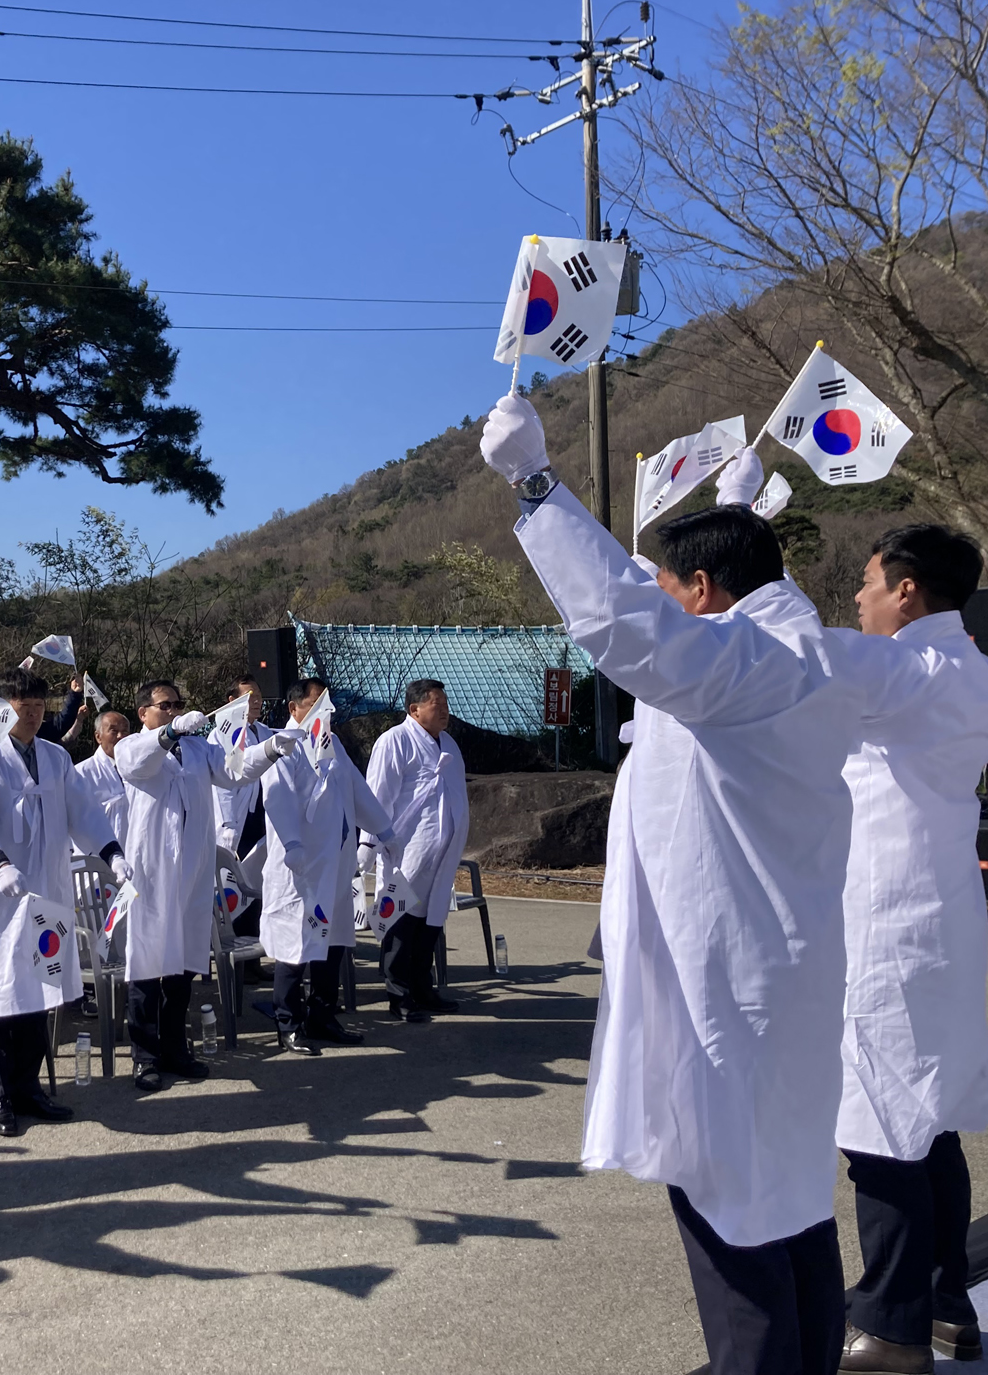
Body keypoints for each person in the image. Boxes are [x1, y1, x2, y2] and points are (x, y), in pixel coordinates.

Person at [483, 392, 874, 1375]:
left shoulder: (748, 664)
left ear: (701, 590)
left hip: (730, 995)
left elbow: (629, 628)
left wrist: (536, 486)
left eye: (668, 582)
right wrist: (745, 510)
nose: (656, 595)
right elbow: (671, 661)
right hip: (772, 982)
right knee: (787, 1204)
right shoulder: (795, 651)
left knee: (731, 1205)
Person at [827, 526, 988, 1373]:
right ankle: (946, 1300)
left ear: (906, 590)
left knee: (882, 1121)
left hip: (887, 920)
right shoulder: (980, 673)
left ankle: (890, 1326)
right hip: (943, 916)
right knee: (930, 1120)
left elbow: (784, 655)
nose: (857, 599)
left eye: (866, 582)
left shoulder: (904, 670)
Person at [0, 667, 127, 1136]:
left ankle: (29, 1087)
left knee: (35, 991)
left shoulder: (55, 757)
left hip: (46, 888)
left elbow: (82, 810)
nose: (30, 714)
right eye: (21, 706)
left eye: (37, 706)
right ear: (2, 708)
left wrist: (112, 853)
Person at [118, 679, 292, 1087]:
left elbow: (233, 770)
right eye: (165, 706)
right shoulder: (132, 747)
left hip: (193, 874)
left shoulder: (197, 749)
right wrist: (169, 733)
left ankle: (176, 1048)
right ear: (144, 712)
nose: (175, 711)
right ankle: (144, 1056)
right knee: (145, 966)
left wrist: (270, 749)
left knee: (182, 969)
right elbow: (139, 763)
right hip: (151, 875)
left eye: (179, 705)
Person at [256, 678, 394, 1049]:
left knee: (332, 944)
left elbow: (358, 790)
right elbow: (277, 797)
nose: (325, 712)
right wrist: (293, 843)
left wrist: (384, 829)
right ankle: (288, 1023)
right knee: (296, 946)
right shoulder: (283, 746)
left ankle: (322, 1015)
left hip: (334, 864)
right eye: (316, 705)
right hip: (300, 868)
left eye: (327, 705)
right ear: (294, 708)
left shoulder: (332, 745)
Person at [364, 679, 470, 1018]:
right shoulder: (394, 742)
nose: (444, 712)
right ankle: (399, 996)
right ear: (415, 709)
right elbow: (377, 798)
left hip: (440, 855)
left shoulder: (449, 744)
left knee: (431, 922)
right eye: (436, 705)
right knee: (400, 923)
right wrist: (369, 845)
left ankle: (424, 988)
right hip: (405, 851)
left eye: (446, 705)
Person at [212, 674, 276, 914]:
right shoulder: (221, 735)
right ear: (232, 701)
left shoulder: (266, 732)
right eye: (250, 697)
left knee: (259, 883)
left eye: (259, 697)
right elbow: (222, 785)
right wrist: (228, 824)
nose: (257, 702)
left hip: (263, 816)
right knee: (232, 887)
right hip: (238, 819)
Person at [73, 711, 132, 844]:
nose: (120, 736)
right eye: (114, 731)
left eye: (125, 731)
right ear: (98, 737)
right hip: (97, 853)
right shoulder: (81, 773)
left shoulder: (139, 769)